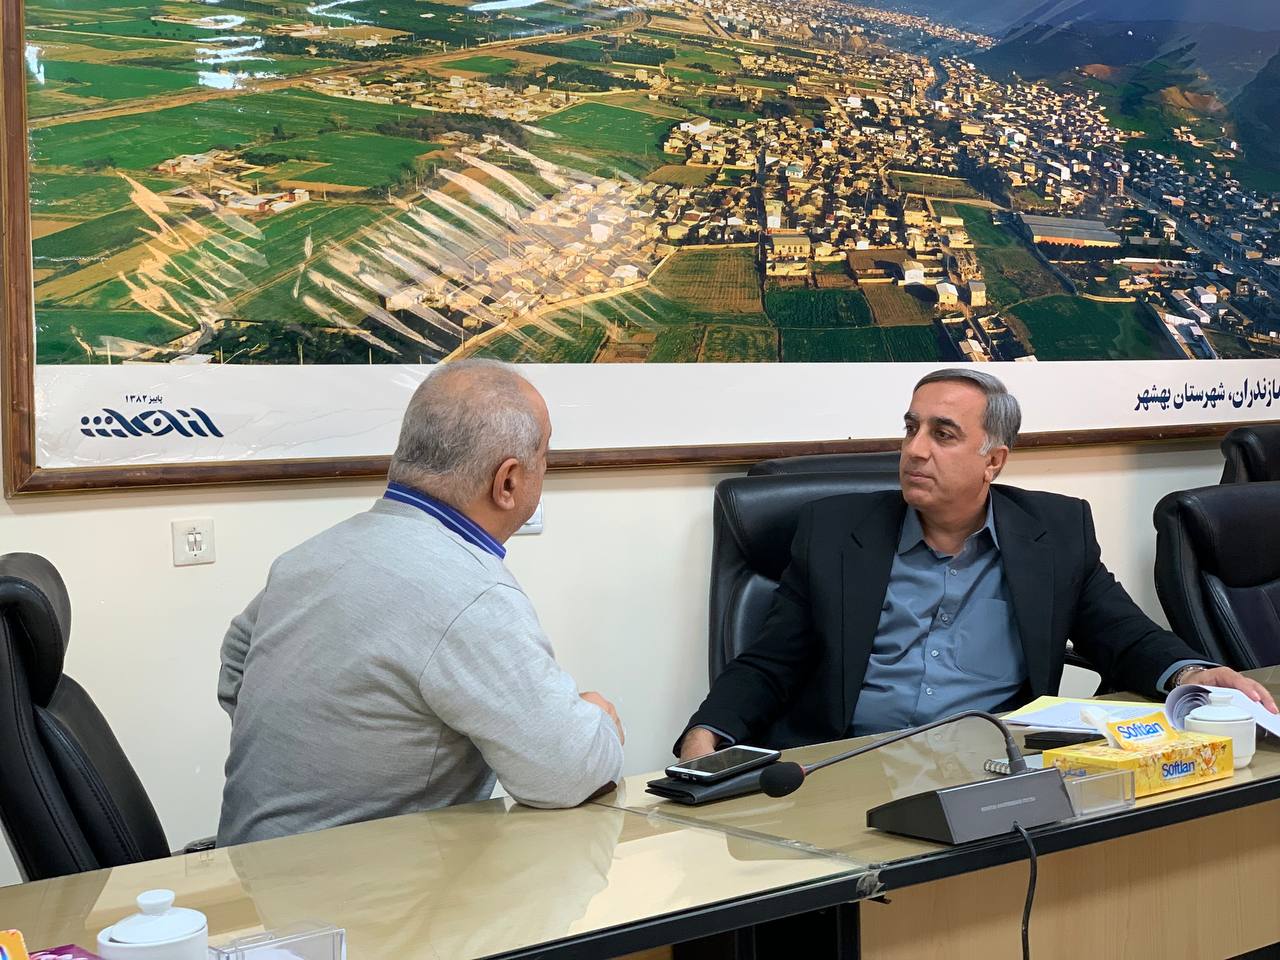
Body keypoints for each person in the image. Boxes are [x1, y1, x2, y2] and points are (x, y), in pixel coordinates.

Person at [678, 369, 1276, 759]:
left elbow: (1123, 634)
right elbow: (769, 661)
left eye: (943, 434)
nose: (914, 450)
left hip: (989, 764)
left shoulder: (1055, 532)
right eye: (911, 428)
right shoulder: (834, 532)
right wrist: (707, 734)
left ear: (994, 461)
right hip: (849, 760)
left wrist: (1190, 674)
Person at [218, 359, 624, 846]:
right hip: (356, 883)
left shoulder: (306, 559)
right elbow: (567, 773)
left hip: (246, 868)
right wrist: (596, 717)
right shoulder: (469, 594)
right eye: (544, 456)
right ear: (508, 482)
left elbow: (236, 661)